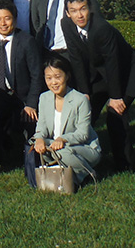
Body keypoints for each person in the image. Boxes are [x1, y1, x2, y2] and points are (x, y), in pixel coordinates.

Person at [62, 0, 135, 171]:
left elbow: (113, 63)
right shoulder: (67, 25)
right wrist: (84, 92)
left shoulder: (102, 28)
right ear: (68, 13)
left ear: (90, 9)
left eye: (83, 9)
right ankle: (81, 160)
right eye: (74, 11)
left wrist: (116, 97)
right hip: (99, 74)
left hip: (126, 72)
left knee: (115, 115)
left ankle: (125, 165)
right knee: (84, 111)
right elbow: (76, 58)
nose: (79, 15)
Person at [0, 0, 43, 163]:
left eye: (7, 18)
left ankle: (31, 156)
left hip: (23, 96)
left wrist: (31, 104)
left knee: (29, 123)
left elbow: (37, 75)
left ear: (15, 18)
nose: (3, 23)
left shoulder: (27, 42)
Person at [32, 56, 101, 185]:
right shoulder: (44, 98)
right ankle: (67, 175)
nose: (54, 82)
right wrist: (39, 139)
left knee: (62, 152)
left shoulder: (80, 100)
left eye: (58, 77)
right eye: (49, 78)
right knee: (38, 146)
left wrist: (63, 139)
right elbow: (41, 127)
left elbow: (83, 134)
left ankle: (88, 174)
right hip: (56, 146)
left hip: (82, 148)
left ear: (67, 76)